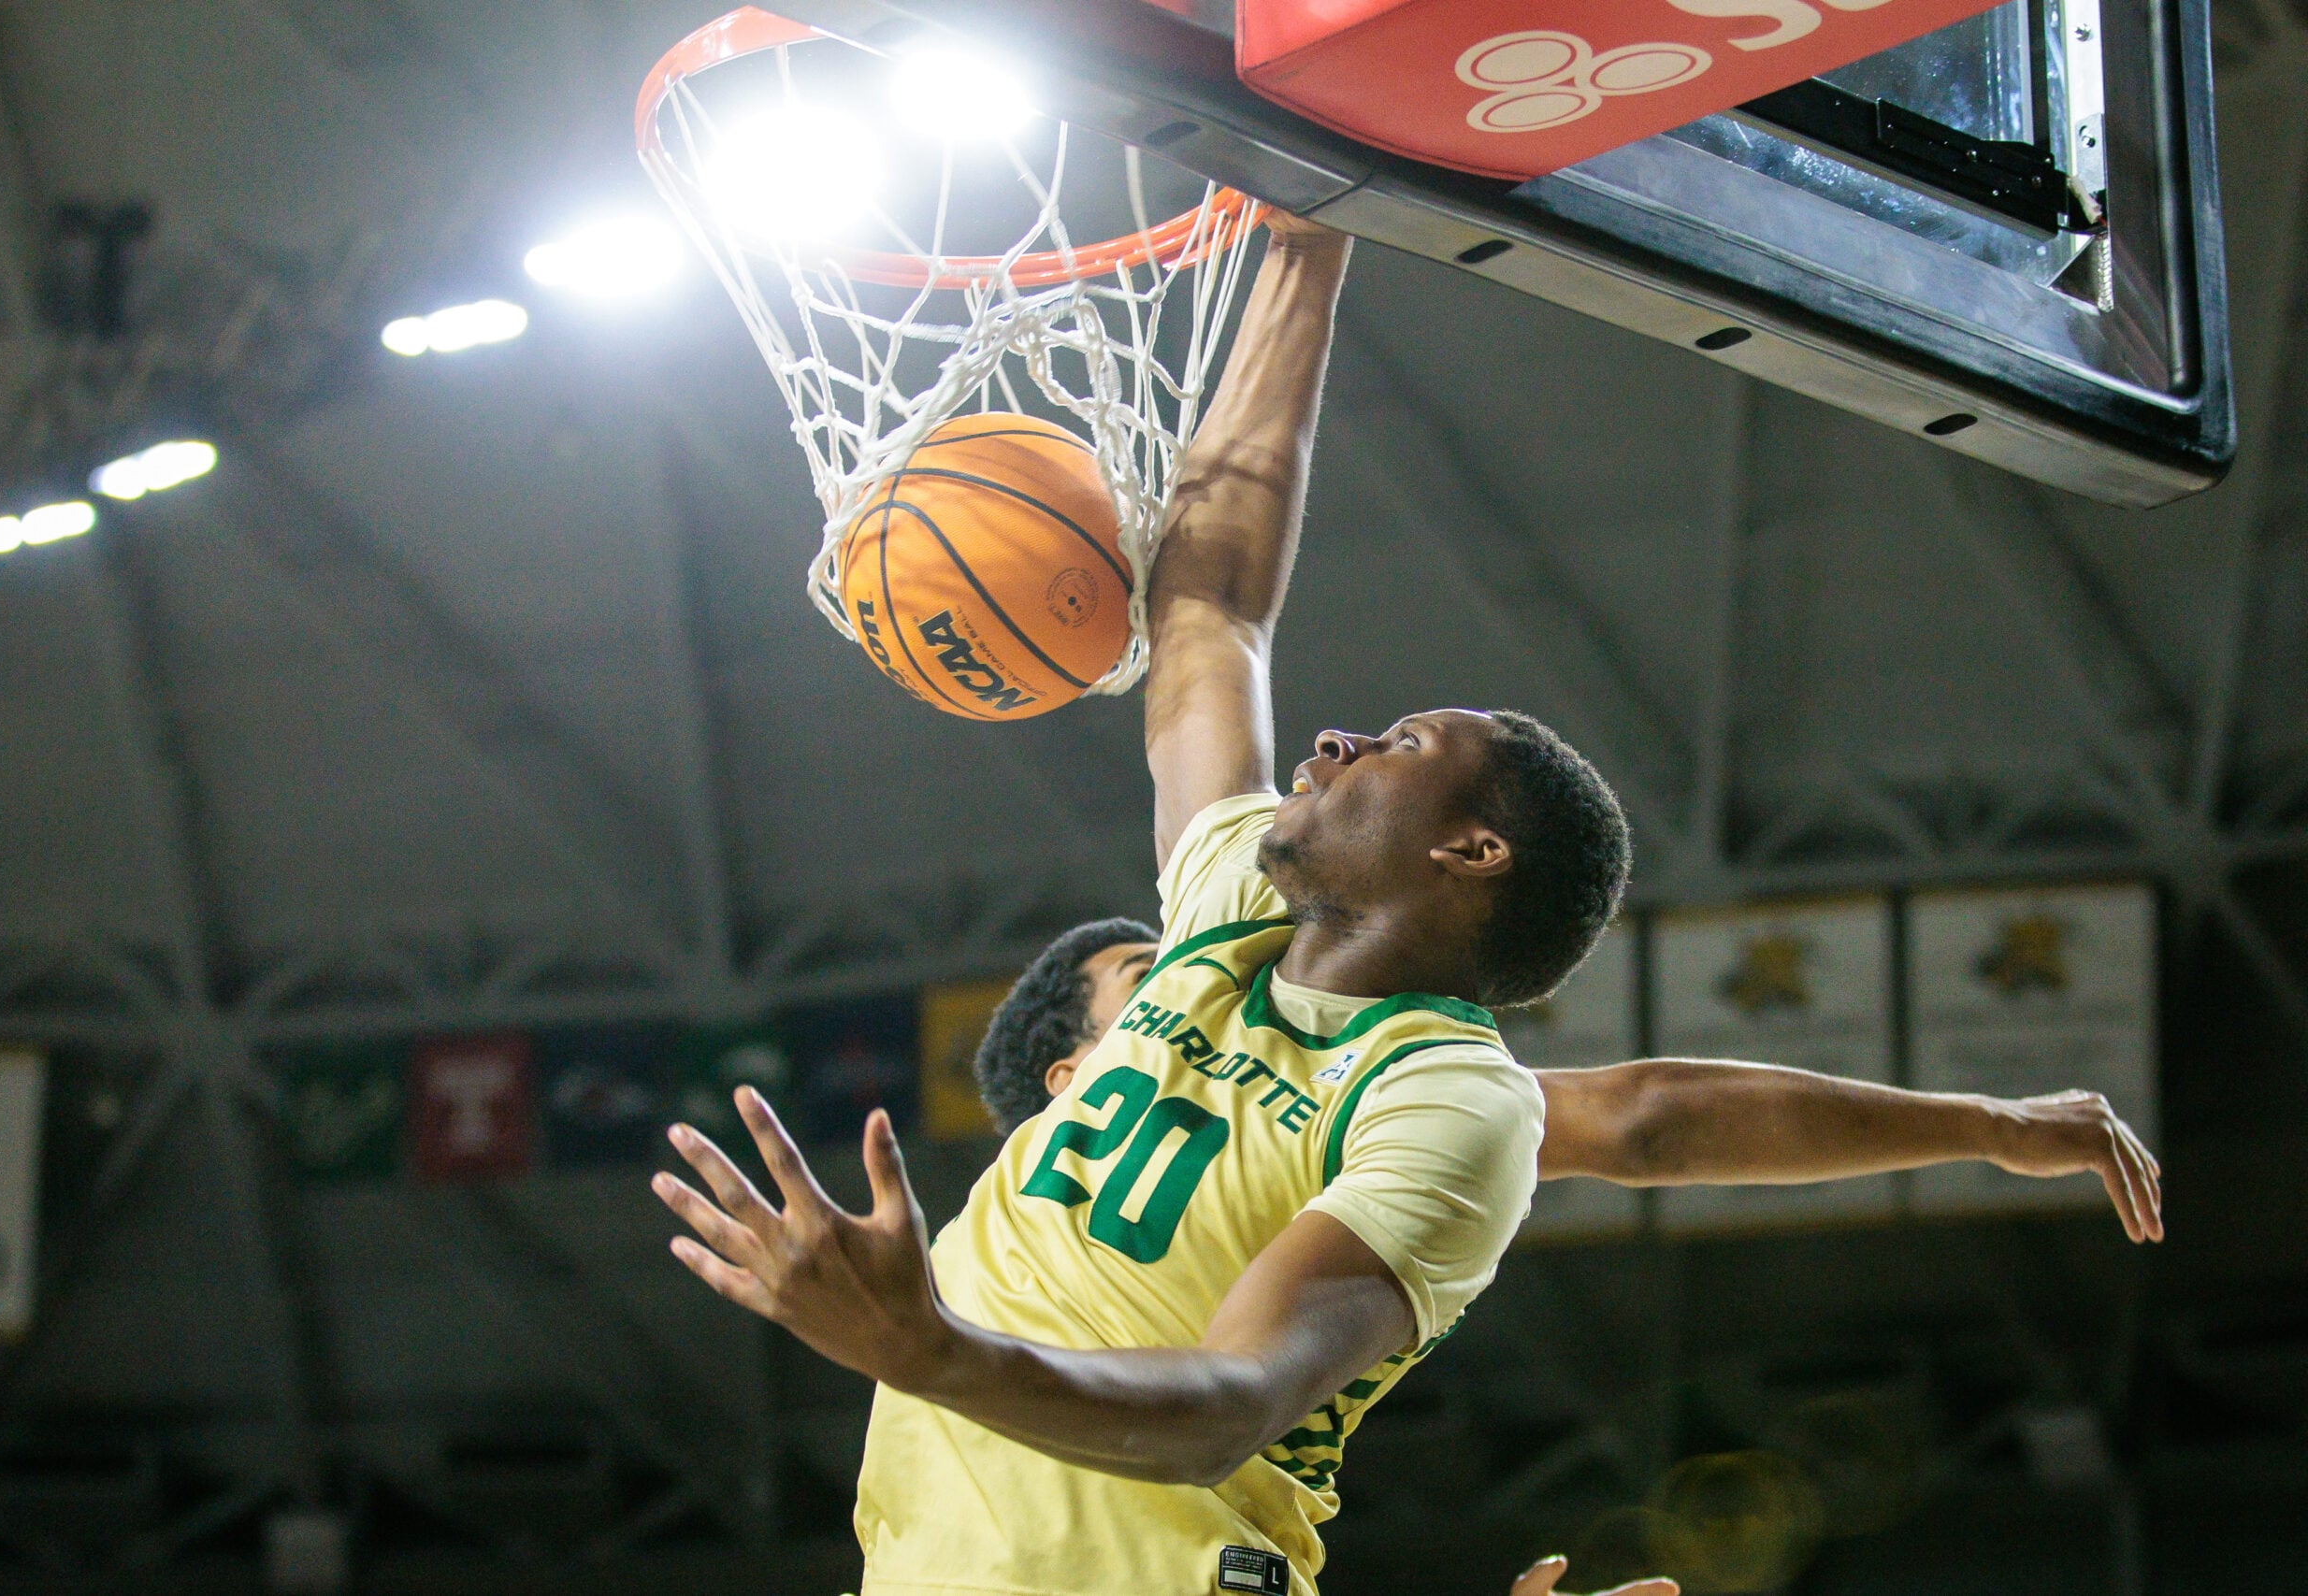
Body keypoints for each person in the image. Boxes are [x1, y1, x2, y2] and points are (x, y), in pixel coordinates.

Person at [652, 214, 2157, 1596]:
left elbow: (1230, 1405)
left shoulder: (1443, 1093)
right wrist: (1308, 236)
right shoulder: (1228, 915)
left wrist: (930, 1345)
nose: (1334, 739)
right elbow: (1215, 607)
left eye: (1401, 746)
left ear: (1473, 853)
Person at [972, 915, 2163, 1237]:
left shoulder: (1331, 1104)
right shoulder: (1002, 1247)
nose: (1189, 969)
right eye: (1147, 970)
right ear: (1074, 1080)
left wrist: (1992, 1123)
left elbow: (1643, 1122)